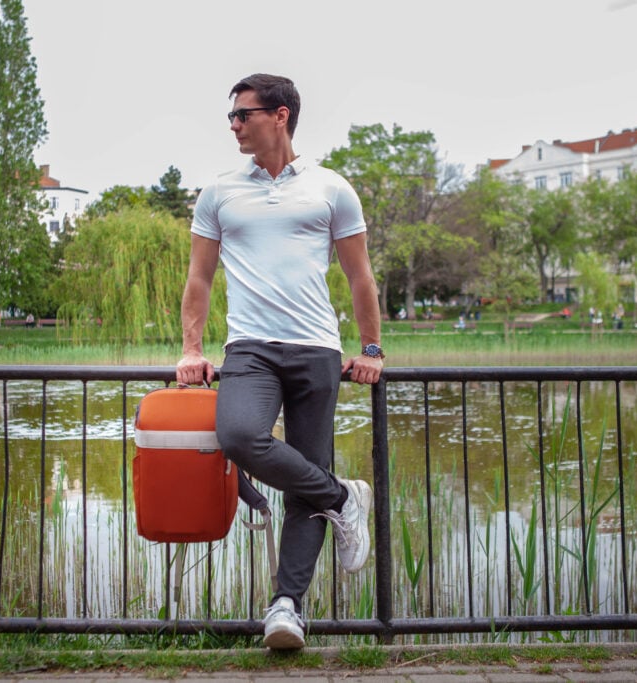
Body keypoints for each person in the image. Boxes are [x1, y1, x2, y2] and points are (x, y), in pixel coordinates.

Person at [176, 74, 383, 651]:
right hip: (249, 349)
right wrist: (192, 350)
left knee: (303, 484)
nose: (234, 125)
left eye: (244, 115)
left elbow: (359, 275)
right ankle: (344, 497)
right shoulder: (219, 192)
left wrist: (370, 348)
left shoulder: (331, 188)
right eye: (232, 117)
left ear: (281, 115)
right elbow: (200, 277)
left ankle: (285, 607)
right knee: (240, 435)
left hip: (317, 348)